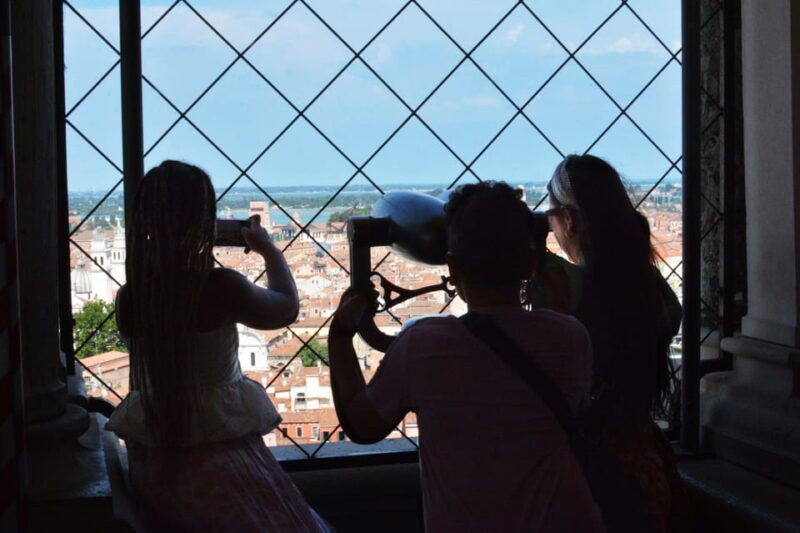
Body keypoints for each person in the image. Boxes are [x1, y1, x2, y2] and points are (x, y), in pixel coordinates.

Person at [329, 181, 604, 532]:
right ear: (531, 262)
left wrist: (340, 338)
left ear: (453, 268)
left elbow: (362, 425)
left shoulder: (422, 346)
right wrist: (556, 308)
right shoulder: (571, 337)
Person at [106, 160, 331, 532]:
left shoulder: (130, 298)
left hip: (158, 460)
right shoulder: (220, 288)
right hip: (219, 457)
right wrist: (269, 251)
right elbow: (287, 309)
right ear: (206, 220)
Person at [542, 154, 684, 531]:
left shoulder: (568, 290)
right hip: (645, 463)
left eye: (550, 215)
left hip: (584, 477)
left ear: (569, 219)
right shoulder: (655, 293)